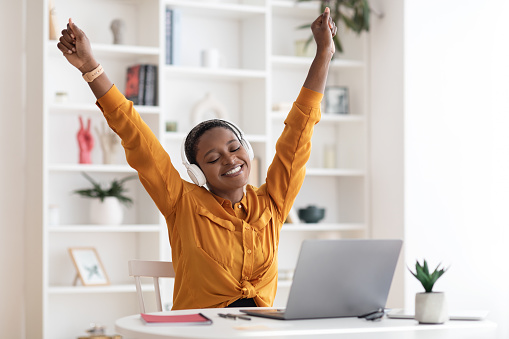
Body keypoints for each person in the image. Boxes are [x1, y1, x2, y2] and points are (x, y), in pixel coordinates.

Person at [57, 8, 337, 310]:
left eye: (234, 148)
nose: (230, 160)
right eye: (214, 158)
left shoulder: (272, 203)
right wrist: (90, 67)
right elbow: (135, 135)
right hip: (199, 331)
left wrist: (324, 53)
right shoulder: (182, 202)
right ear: (197, 172)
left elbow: (299, 132)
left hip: (259, 330)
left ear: (247, 150)